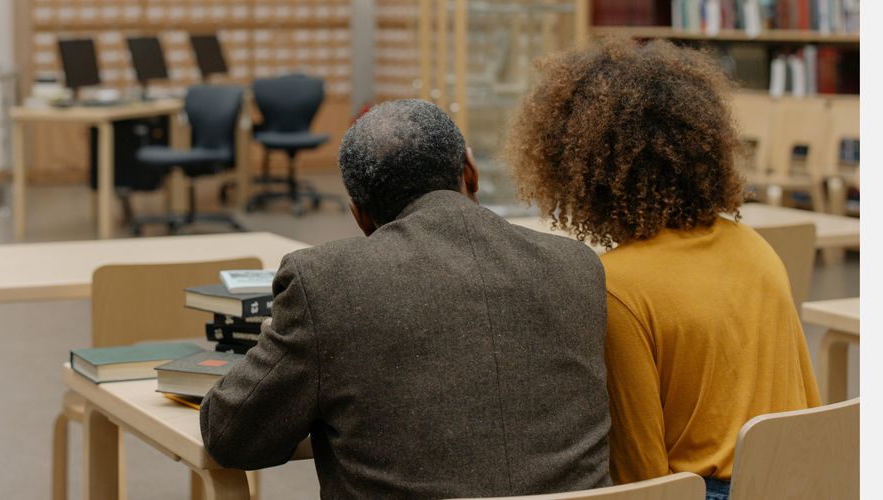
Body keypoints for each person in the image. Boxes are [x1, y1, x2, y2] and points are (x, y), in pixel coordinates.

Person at [200, 99, 611, 499]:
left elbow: (231, 437)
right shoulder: (577, 265)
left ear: (359, 215)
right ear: (470, 170)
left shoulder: (325, 282)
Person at [504, 38, 821, 500]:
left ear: (575, 168)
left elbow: (645, 476)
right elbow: (808, 404)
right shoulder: (755, 247)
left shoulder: (617, 287)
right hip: (803, 481)